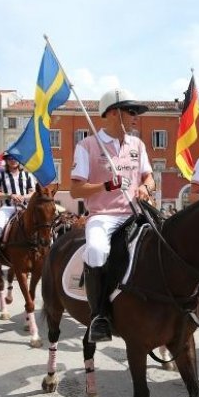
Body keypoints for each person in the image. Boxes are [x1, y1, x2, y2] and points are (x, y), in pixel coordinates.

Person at [70, 88, 154, 343]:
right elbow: (75, 190)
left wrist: (145, 187)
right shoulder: (87, 145)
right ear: (114, 113)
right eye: (131, 112)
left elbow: (149, 178)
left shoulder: (137, 144)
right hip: (103, 216)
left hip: (135, 212)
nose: (136, 117)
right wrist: (104, 186)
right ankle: (99, 316)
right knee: (95, 251)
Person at [0, 155, 35, 271]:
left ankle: (45, 253)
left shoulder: (28, 175)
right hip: (7, 207)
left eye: (15, 159)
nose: (13, 161)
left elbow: (33, 193)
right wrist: (9, 195)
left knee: (43, 225)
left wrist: (23, 197)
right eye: (10, 159)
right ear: (7, 161)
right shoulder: (0, 175)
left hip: (25, 207)